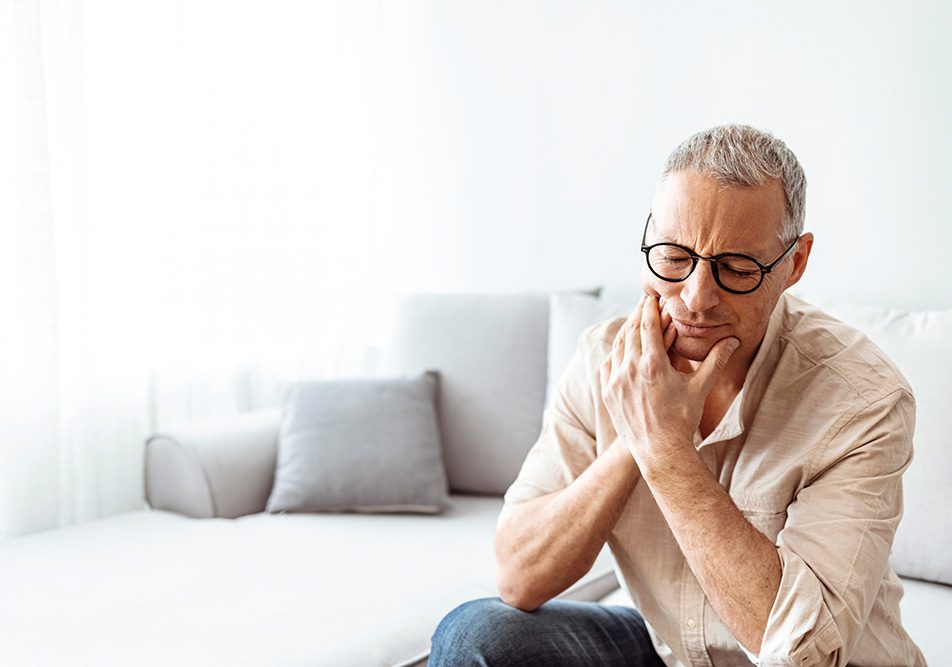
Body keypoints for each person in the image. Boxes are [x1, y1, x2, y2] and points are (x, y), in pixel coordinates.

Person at [428, 124, 927, 666]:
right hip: (672, 653)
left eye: (737, 269)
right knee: (476, 634)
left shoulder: (864, 401)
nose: (695, 298)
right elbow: (519, 577)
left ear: (794, 264)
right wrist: (637, 434)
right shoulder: (606, 360)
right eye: (672, 257)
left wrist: (666, 453)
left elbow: (802, 653)